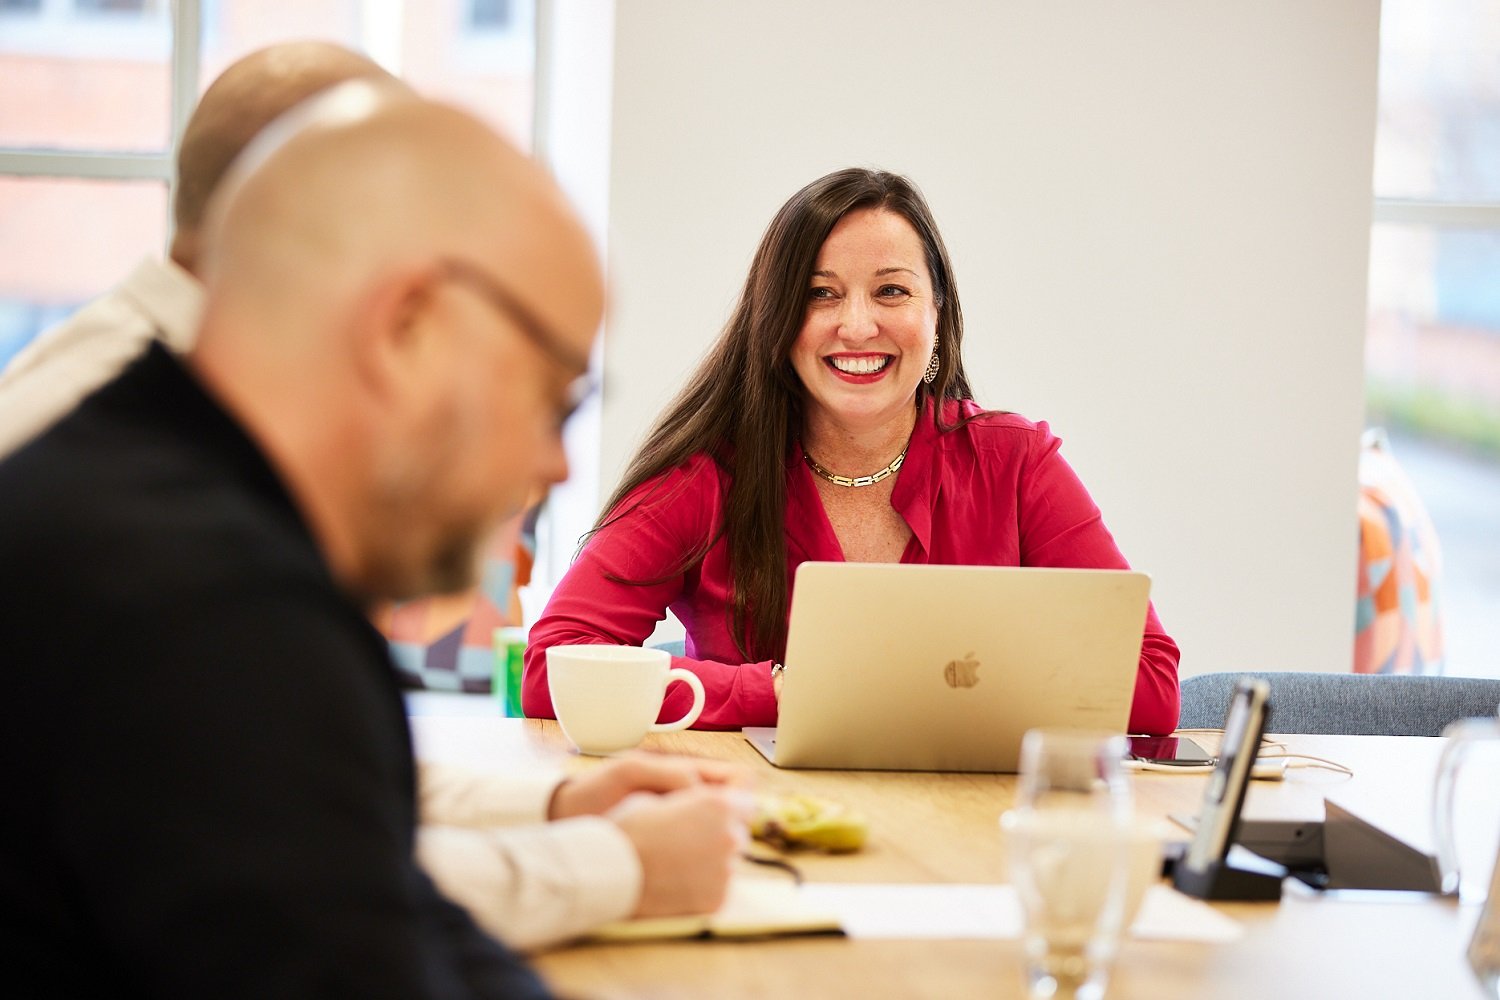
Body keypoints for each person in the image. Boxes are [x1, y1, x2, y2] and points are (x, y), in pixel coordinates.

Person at [0, 41, 750, 954]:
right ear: (402, 316)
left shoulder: (162, 470)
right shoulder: (193, 575)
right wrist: (613, 865)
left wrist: (554, 805)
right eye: (552, 396)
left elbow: (285, 799)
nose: (555, 465)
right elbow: (329, 905)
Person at [522, 167, 1181, 736]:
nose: (858, 325)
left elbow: (1152, 685)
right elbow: (552, 667)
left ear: (938, 314)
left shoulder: (1016, 462)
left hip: (975, 833)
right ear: (777, 320)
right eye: (821, 293)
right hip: (765, 829)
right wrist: (776, 692)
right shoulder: (705, 475)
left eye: (891, 290)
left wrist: (926, 689)